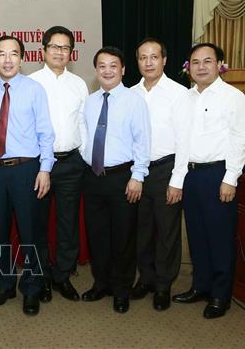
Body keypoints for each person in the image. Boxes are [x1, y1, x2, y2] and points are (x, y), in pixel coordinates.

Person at [171, 43, 245, 319]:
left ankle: (220, 294)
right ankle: (200, 286)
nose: (201, 67)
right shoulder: (185, 98)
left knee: (219, 236)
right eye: (195, 62)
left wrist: (230, 178)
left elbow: (241, 140)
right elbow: (181, 142)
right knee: (197, 234)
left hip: (218, 174)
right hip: (191, 175)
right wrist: (177, 180)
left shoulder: (233, 97)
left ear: (219, 64)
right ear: (188, 67)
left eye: (207, 61)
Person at [0, 35, 55, 316]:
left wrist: (45, 169)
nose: (8, 59)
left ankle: (32, 288)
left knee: (30, 233)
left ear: (22, 59)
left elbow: (46, 133)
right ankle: (4, 285)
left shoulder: (35, 90)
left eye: (13, 54)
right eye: (1, 54)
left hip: (27, 169)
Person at [80, 46, 151, 314]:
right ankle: (101, 283)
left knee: (123, 237)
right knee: (97, 235)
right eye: (102, 66)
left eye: (113, 66)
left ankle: (121, 289)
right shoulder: (90, 101)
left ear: (123, 69)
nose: (107, 71)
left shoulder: (134, 101)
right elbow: (85, 136)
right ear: (96, 70)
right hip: (93, 177)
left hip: (123, 177)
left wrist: (137, 176)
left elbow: (143, 141)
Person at [29, 26, 88, 303]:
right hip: (40, 165)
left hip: (71, 163)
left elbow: (83, 124)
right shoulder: (31, 82)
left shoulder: (79, 84)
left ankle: (62, 275)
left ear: (71, 53)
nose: (59, 52)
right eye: (54, 46)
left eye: (65, 48)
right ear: (43, 50)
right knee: (37, 223)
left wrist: (84, 158)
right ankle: (40, 277)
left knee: (68, 223)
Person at [130, 38, 188, 311]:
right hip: (138, 171)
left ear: (164, 60)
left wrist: (177, 180)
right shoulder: (131, 93)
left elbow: (185, 141)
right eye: (143, 58)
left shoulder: (179, 93)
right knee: (141, 229)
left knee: (167, 231)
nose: (148, 62)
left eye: (154, 57)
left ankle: (163, 284)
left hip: (167, 168)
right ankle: (146, 278)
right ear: (137, 62)